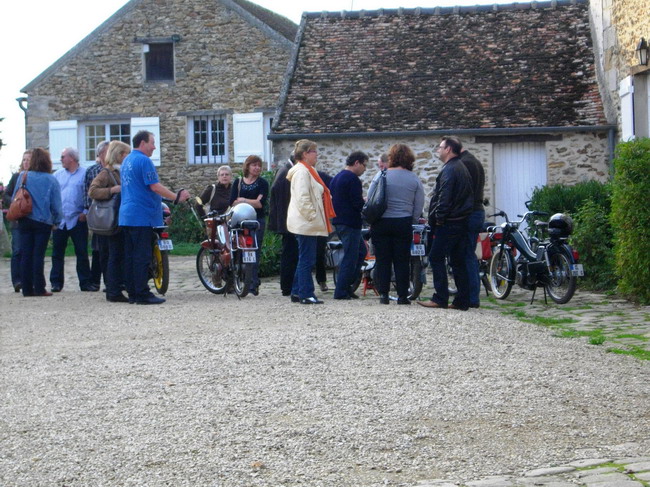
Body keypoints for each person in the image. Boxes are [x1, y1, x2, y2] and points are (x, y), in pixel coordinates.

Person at [120, 130, 190, 305]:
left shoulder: (127, 160)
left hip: (127, 215)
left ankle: (133, 293)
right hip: (142, 215)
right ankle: (143, 293)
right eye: (152, 142)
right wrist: (176, 197)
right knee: (142, 256)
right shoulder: (144, 160)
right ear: (142, 143)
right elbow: (154, 186)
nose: (154, 146)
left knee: (130, 256)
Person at [419, 136, 473, 311]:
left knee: (436, 257)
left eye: (440, 147)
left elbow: (444, 198)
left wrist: (439, 220)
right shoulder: (460, 167)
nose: (438, 150)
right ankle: (462, 301)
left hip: (449, 222)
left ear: (448, 149)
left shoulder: (451, 169)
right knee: (458, 261)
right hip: (460, 221)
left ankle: (440, 298)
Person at [369, 144, 424, 305]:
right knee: (402, 260)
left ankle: (383, 294)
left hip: (381, 222)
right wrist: (412, 220)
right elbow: (419, 204)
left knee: (382, 259)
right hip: (403, 221)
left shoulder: (381, 175)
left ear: (391, 157)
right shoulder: (413, 178)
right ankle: (402, 296)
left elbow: (371, 197)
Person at [286, 140, 336, 304]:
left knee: (304, 258)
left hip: (306, 222)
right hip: (306, 223)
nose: (317, 154)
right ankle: (306, 293)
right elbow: (303, 198)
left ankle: (296, 291)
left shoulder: (309, 170)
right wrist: (313, 216)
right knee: (307, 259)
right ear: (306, 153)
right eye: (314, 151)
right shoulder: (302, 172)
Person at [12, 148, 62, 297]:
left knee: (26, 254)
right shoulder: (51, 179)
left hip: (25, 219)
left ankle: (27, 289)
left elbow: (16, 195)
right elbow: (56, 205)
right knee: (38, 255)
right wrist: (57, 221)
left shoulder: (23, 175)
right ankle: (39, 287)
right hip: (43, 221)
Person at [88, 141, 130, 303]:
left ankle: (115, 288)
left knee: (116, 254)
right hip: (111, 220)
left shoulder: (121, 171)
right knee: (113, 255)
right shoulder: (107, 172)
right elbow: (92, 190)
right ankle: (113, 290)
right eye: (126, 153)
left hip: (118, 219)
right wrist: (112, 190)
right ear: (119, 154)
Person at [50, 147, 95, 292]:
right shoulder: (57, 175)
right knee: (57, 253)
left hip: (78, 218)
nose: (60, 159)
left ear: (72, 158)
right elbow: (52, 196)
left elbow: (90, 193)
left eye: (63, 156)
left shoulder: (85, 174)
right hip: (60, 220)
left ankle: (85, 282)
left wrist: (86, 212)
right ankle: (56, 283)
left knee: (81, 252)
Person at [330, 150, 368, 300]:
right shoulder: (352, 179)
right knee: (351, 256)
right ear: (356, 163)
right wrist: (366, 204)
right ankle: (341, 291)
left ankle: (347, 286)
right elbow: (357, 203)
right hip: (350, 222)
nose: (365, 169)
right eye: (364, 165)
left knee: (359, 253)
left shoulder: (337, 178)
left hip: (340, 221)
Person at [230, 155, 269, 296]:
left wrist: (243, 199)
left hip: (256, 221)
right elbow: (232, 202)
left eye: (259, 165)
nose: (257, 168)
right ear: (248, 166)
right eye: (254, 165)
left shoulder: (263, 183)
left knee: (253, 252)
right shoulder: (238, 182)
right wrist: (251, 201)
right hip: (239, 221)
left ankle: (253, 283)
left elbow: (260, 204)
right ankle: (239, 280)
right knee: (238, 250)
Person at [460, 147, 486, 308]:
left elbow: (464, 192)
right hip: (476, 212)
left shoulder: (465, 163)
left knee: (467, 255)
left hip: (470, 214)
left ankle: (471, 297)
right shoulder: (473, 161)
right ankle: (471, 295)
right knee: (469, 255)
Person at [268, 154, 297, 297]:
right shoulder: (286, 173)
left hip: (287, 221)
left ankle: (288, 285)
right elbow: (283, 201)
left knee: (290, 253)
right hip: (288, 222)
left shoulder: (286, 171)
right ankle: (287, 286)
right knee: (289, 254)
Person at [3, 150, 32, 292]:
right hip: (17, 220)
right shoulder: (16, 177)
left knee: (30, 250)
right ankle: (17, 280)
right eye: (24, 159)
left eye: (29, 159)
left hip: (32, 219)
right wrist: (16, 203)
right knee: (17, 250)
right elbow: (6, 195)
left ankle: (29, 278)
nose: (26, 162)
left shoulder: (36, 178)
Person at [84, 141, 110, 290]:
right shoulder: (92, 171)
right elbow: (87, 193)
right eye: (107, 152)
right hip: (98, 214)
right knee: (97, 249)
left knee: (109, 250)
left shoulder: (117, 170)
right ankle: (95, 281)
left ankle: (110, 282)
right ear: (100, 154)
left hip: (112, 215)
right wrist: (88, 212)